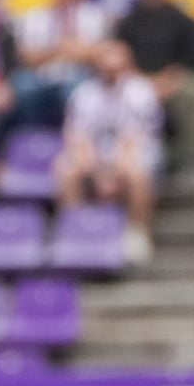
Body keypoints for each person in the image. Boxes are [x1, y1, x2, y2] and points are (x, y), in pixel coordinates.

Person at [57, 40, 163, 264]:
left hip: (133, 151)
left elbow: (135, 137)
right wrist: (93, 167)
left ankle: (136, 233)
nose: (111, 70)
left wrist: (113, 171)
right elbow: (77, 135)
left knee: (137, 172)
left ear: (126, 64)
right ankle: (76, 231)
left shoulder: (140, 91)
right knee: (65, 169)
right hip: (95, 154)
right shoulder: (84, 93)